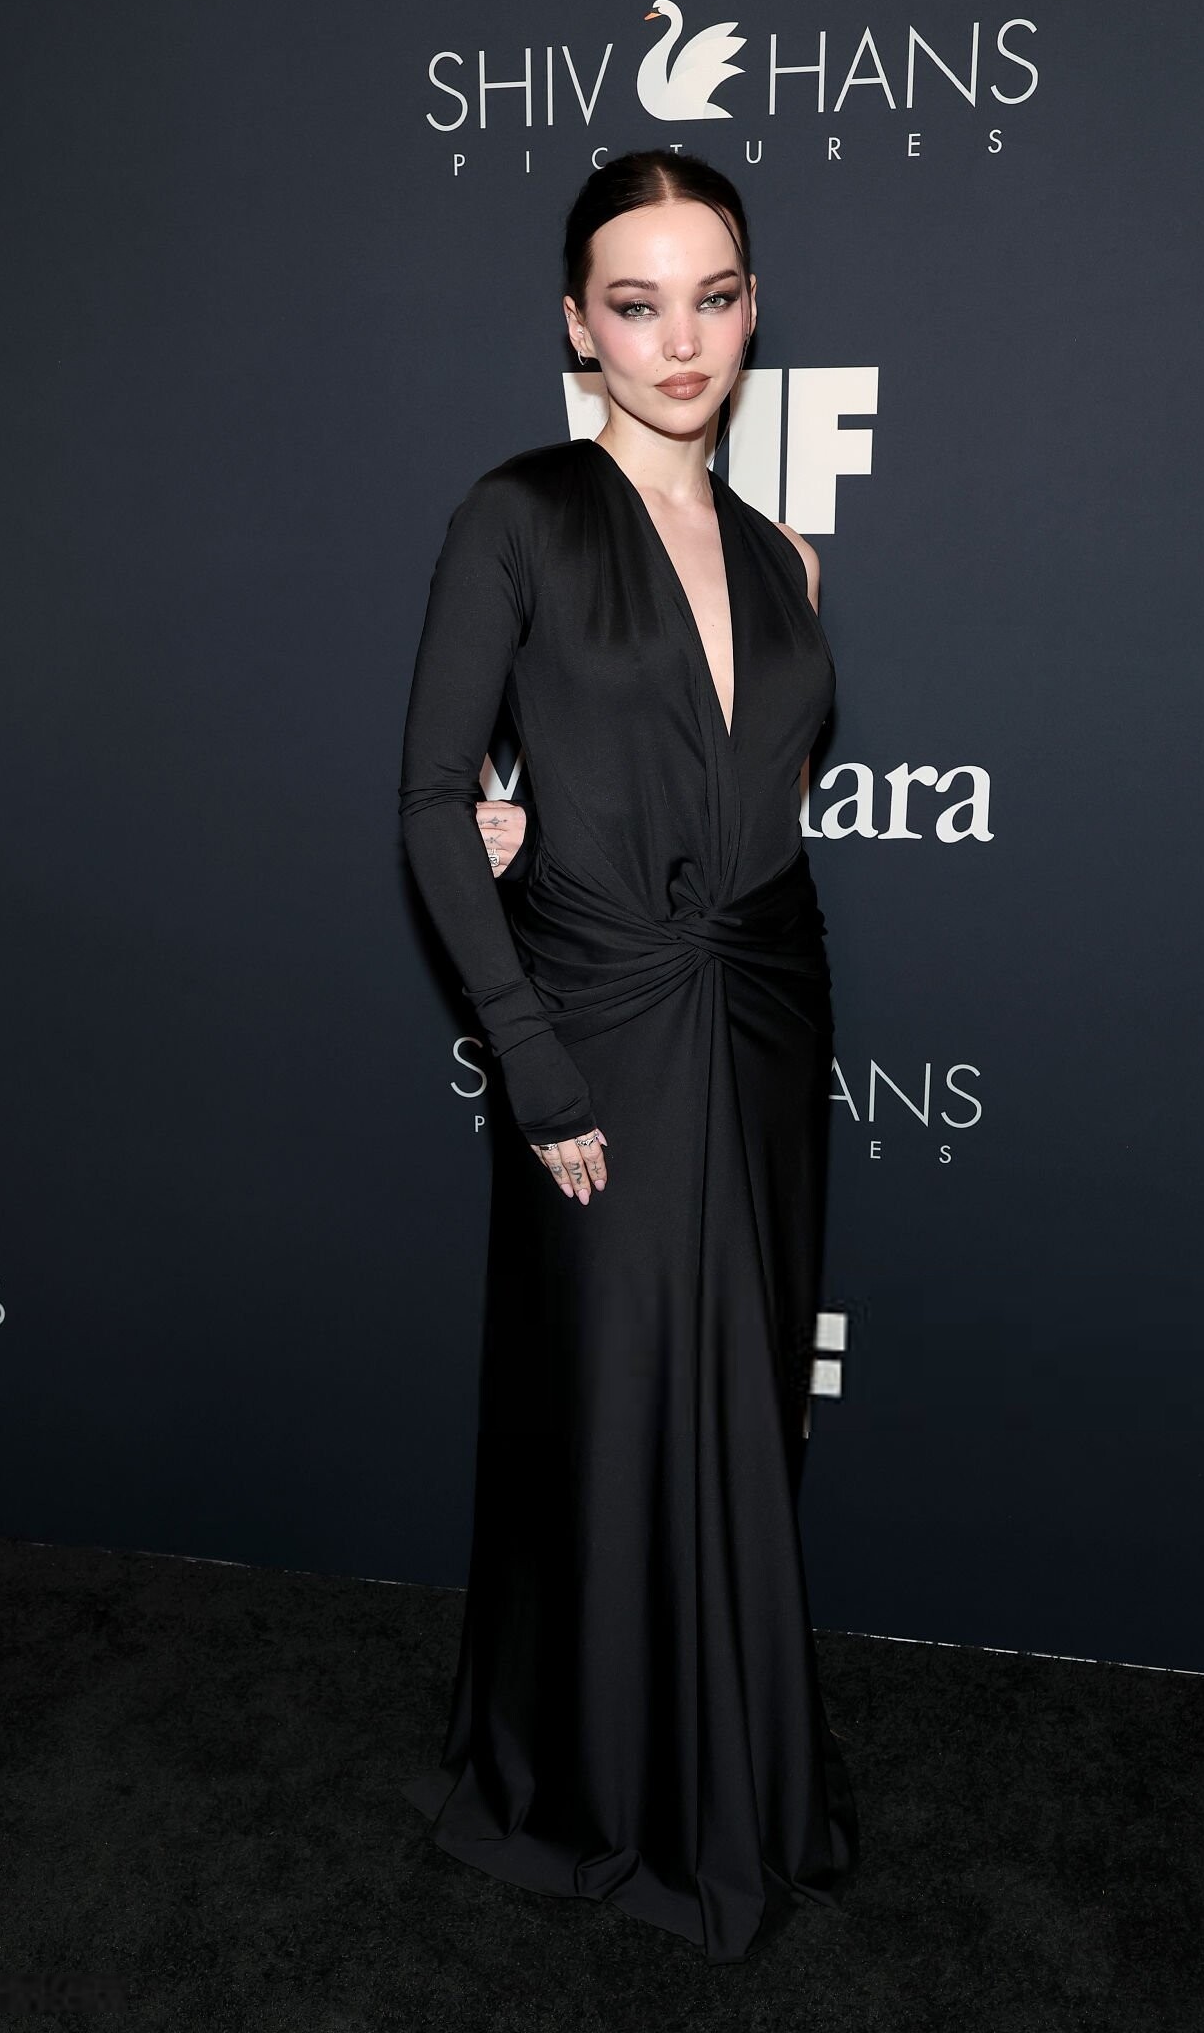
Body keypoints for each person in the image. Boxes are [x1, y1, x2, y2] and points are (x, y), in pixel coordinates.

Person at [397, 149, 859, 1965]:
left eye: (714, 297)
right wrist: (530, 1054)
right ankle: (586, 1787)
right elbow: (432, 802)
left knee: (745, 1399)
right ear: (578, 326)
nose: (682, 339)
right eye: (637, 303)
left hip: (768, 1009)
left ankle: (735, 1777)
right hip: (595, 1024)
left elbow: (756, 806)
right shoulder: (517, 514)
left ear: (751, 309)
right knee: (606, 1413)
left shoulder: (785, 556)